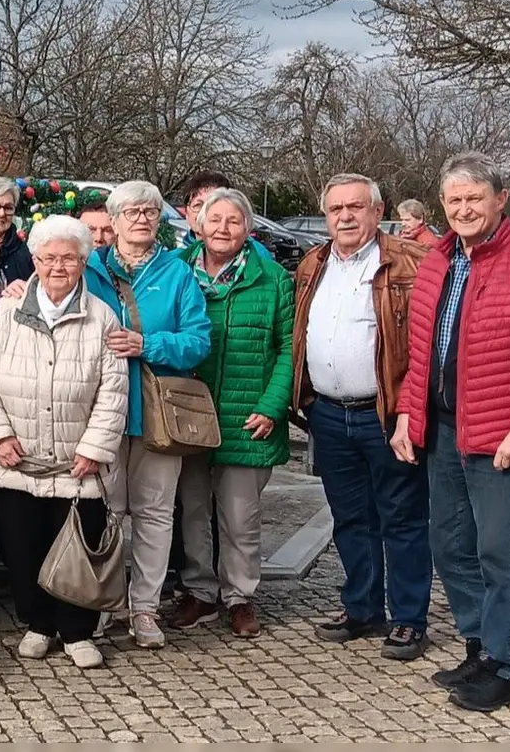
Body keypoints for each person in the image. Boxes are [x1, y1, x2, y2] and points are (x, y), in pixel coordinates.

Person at [394, 155, 510, 712]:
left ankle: (508, 665)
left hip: (502, 435)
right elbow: (420, 353)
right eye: (455, 201)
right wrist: (408, 411)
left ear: (500, 199)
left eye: (475, 198)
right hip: (444, 431)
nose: (465, 209)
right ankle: (479, 646)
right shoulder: (437, 262)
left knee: (499, 550)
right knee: (449, 545)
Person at [0, 215, 128, 668]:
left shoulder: (102, 317)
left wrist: (94, 449)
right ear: (34, 260)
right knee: (22, 548)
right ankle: (37, 624)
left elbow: (113, 390)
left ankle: (78, 631)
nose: (59, 267)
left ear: (83, 261)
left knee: (78, 547)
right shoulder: (5, 311)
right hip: (16, 459)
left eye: (69, 258)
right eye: (49, 257)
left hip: (76, 463)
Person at [289, 173, 431, 661]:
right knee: (350, 519)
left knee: (403, 518)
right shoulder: (313, 263)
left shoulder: (409, 262)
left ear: (378, 210)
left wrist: (412, 412)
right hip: (327, 413)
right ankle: (362, 608)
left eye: (355, 207)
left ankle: (409, 619)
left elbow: (425, 348)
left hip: (385, 412)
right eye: (335, 209)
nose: (345, 217)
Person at [83, 180, 212, 650]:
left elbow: (199, 340)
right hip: (101, 413)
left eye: (150, 212)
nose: (141, 219)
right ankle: (105, 602)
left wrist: (148, 345)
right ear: (112, 221)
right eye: (131, 212)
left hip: (159, 414)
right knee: (107, 511)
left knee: (156, 514)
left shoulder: (177, 274)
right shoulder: (88, 268)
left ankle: (145, 608)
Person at [171, 189, 295, 639]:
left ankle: (239, 595)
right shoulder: (176, 270)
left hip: (249, 415)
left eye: (234, 221)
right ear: (198, 225)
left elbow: (289, 350)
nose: (223, 229)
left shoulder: (274, 279)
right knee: (193, 510)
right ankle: (200, 591)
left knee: (240, 517)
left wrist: (272, 405)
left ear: (249, 229)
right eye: (215, 220)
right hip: (187, 412)